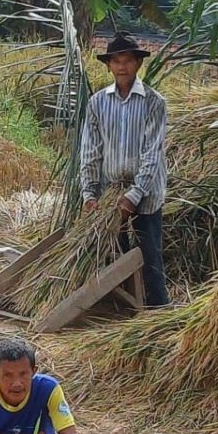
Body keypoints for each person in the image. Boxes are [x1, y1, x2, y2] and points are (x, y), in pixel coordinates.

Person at [79, 32, 170, 308]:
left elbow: (152, 153)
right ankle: (122, 311)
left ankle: (158, 312)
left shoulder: (154, 102)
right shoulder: (97, 103)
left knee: (149, 255)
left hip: (146, 192)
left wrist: (134, 195)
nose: (121, 67)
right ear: (108, 65)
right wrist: (89, 193)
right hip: (110, 194)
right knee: (115, 255)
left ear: (138, 64)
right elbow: (90, 151)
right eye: (116, 61)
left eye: (127, 60)